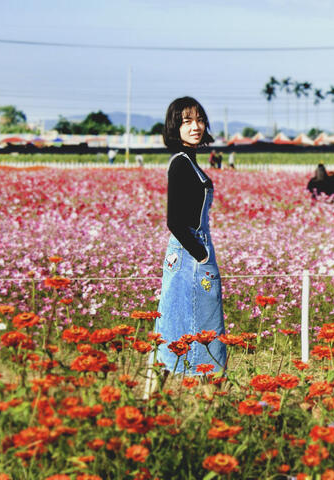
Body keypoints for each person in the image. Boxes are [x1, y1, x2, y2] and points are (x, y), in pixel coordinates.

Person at [153, 96, 226, 378]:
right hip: (191, 253)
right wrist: (201, 254)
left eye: (199, 120)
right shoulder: (181, 163)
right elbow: (175, 221)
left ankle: (166, 386)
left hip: (192, 250)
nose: (195, 126)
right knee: (197, 322)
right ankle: (205, 382)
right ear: (175, 126)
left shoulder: (188, 161)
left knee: (180, 319)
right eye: (187, 122)